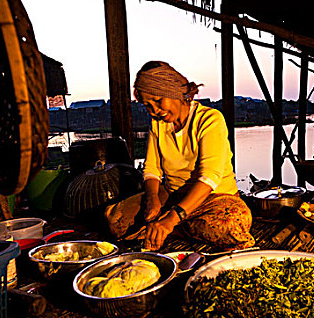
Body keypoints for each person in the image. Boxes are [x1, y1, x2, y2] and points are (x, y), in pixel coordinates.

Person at [103, 61, 254, 251]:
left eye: (158, 101)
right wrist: (152, 200)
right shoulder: (158, 124)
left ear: (173, 91)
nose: (155, 110)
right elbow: (152, 170)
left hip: (214, 198)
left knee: (230, 225)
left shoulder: (210, 120)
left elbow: (209, 178)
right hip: (172, 194)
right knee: (115, 219)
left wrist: (171, 218)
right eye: (148, 106)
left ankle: (170, 226)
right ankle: (176, 226)